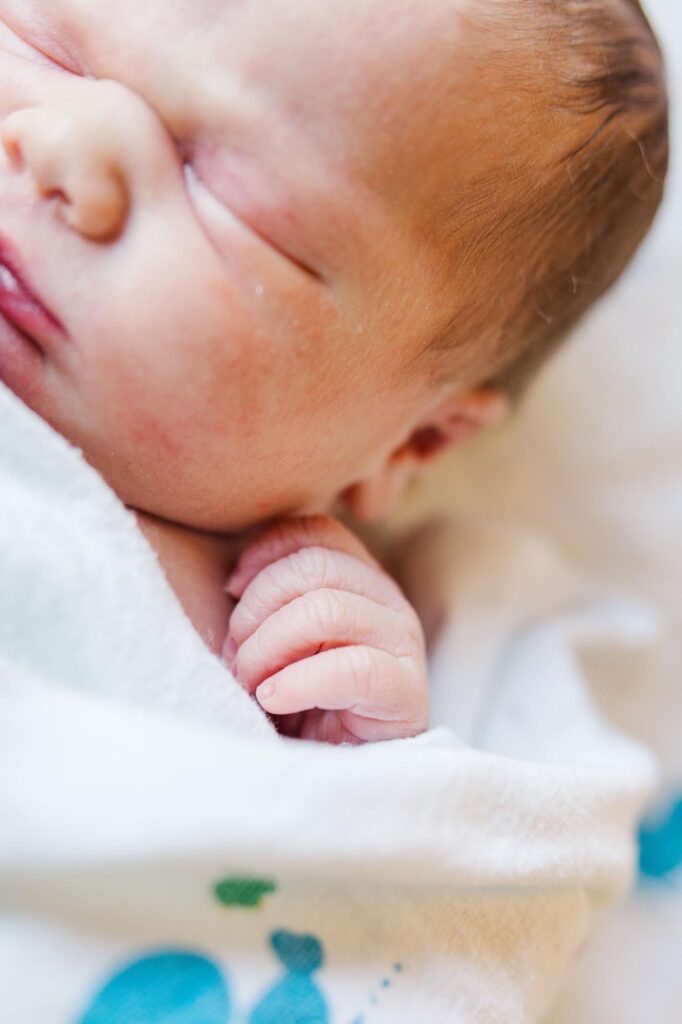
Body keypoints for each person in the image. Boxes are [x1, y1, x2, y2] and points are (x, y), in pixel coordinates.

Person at [0, 0, 668, 742]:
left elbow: (504, 840)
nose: (61, 141)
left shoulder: (327, 652)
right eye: (43, 46)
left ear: (418, 443)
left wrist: (359, 753)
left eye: (233, 203)